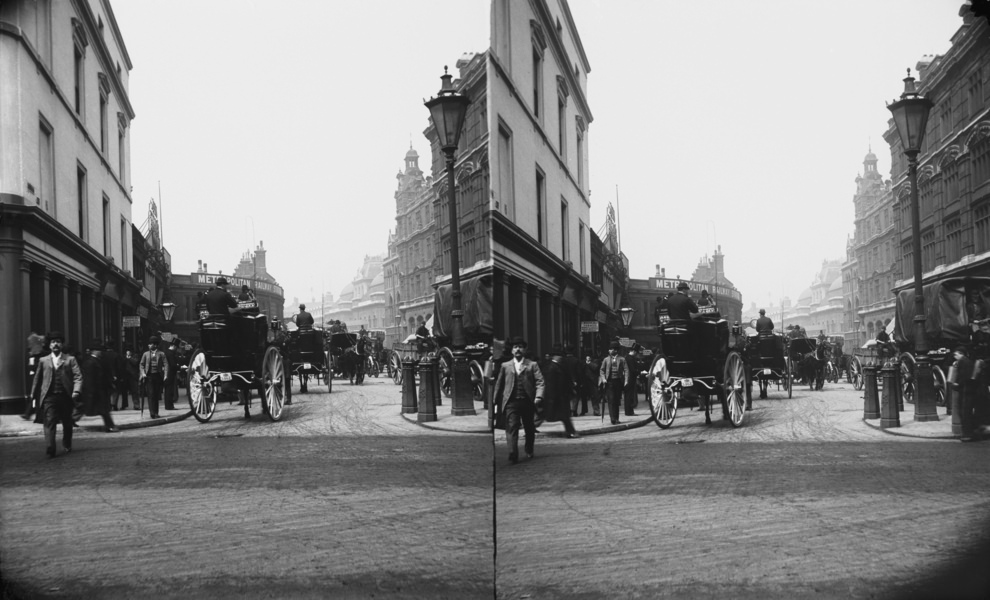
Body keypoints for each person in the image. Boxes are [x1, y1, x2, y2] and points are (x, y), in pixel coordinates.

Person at [30, 331, 83, 458]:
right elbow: (37, 378)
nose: (55, 344)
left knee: (67, 421)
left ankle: (67, 443)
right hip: (49, 396)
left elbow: (78, 376)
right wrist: (33, 394)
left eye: (58, 342)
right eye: (53, 342)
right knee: (49, 421)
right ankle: (50, 448)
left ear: (62, 345)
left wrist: (76, 390)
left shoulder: (70, 359)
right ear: (49, 345)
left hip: (66, 396)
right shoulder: (43, 361)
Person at [493, 336, 545, 464]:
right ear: (511, 350)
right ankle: (513, 453)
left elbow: (540, 382)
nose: (518, 350)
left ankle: (529, 448)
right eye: (515, 347)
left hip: (528, 401)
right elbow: (499, 384)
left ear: (525, 350)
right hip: (511, 402)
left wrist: (539, 396)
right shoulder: (505, 366)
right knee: (512, 427)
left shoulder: (532, 365)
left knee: (529, 427)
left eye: (520, 347)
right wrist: (494, 401)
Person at [80, 340, 119, 433]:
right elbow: (89, 379)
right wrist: (91, 392)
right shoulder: (90, 362)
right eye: (99, 350)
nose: (101, 352)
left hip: (100, 391)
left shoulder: (97, 361)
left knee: (104, 410)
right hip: (96, 391)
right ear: (95, 351)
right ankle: (110, 426)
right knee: (84, 409)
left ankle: (109, 426)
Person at [543, 344, 578, 438]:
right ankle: (570, 432)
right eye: (559, 356)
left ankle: (570, 431)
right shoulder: (552, 367)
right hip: (557, 396)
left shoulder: (559, 365)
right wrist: (552, 397)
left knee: (565, 416)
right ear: (555, 356)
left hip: (562, 396)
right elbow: (551, 384)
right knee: (562, 416)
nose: (561, 358)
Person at [599, 340, 630, 425]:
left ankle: (616, 418)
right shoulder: (606, 360)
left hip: (618, 382)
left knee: (616, 400)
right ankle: (612, 418)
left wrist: (626, 380)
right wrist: (603, 379)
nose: (610, 350)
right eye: (610, 349)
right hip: (609, 382)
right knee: (611, 400)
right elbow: (601, 370)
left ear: (616, 350)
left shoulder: (622, 359)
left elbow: (626, 370)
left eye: (612, 349)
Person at [139, 336, 169, 419]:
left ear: (155, 345)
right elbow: (141, 364)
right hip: (149, 376)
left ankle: (156, 412)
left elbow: (166, 364)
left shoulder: (161, 354)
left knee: (156, 395)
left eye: (151, 344)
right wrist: (143, 373)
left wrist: (165, 375)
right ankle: (152, 412)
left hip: (158, 376)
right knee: (150, 394)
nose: (149, 345)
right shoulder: (145, 354)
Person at [21, 331, 47, 420]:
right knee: (36, 396)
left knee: (35, 396)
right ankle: (30, 412)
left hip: (36, 378)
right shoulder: (41, 354)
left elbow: (31, 367)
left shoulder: (33, 356)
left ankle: (29, 413)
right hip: (38, 378)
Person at [624, 347, 641, 417]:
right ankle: (629, 411)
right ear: (633, 351)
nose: (636, 354)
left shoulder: (627, 358)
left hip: (628, 378)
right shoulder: (630, 359)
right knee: (629, 395)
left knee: (628, 395)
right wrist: (639, 372)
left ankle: (629, 411)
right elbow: (633, 370)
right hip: (630, 379)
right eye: (636, 352)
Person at [162, 341, 178, 410]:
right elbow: (173, 365)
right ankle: (169, 406)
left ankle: (168, 405)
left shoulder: (165, 352)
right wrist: (179, 367)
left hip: (166, 373)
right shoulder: (171, 354)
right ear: (174, 346)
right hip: (170, 373)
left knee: (167, 390)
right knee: (170, 390)